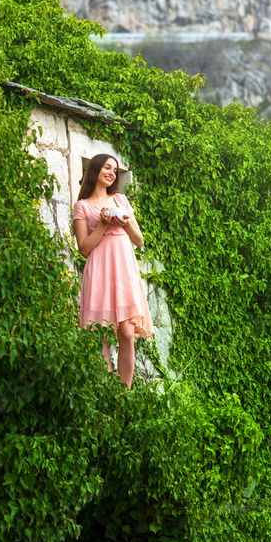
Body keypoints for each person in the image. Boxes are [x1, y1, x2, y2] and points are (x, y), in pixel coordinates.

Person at [71, 154, 154, 389]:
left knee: (127, 334)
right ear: (95, 169)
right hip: (99, 271)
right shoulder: (83, 206)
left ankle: (124, 395)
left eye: (115, 170)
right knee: (102, 336)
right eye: (107, 167)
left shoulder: (120, 200)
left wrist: (126, 223)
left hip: (124, 271)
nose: (112, 173)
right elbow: (84, 248)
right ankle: (105, 394)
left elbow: (139, 241)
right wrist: (104, 224)